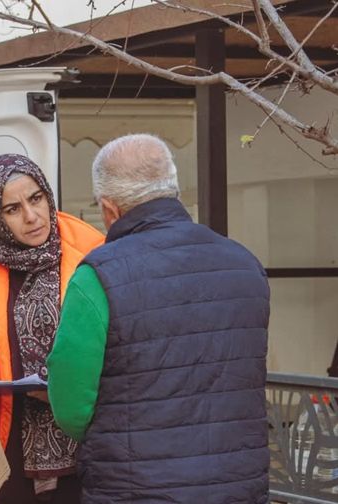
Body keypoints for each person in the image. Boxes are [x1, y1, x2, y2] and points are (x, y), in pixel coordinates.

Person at [47, 134, 270, 503]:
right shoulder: (246, 265)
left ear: (109, 209)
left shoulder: (97, 277)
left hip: (136, 489)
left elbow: (71, 408)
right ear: (174, 189)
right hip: (238, 488)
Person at [0, 153, 105, 503]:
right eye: (12, 209)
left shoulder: (93, 253)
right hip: (9, 445)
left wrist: (65, 390)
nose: (32, 216)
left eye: (36, 198)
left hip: (87, 446)